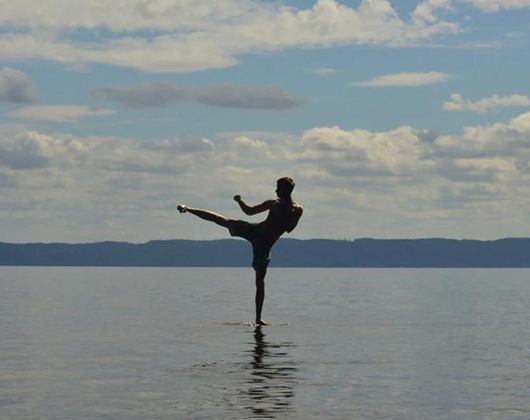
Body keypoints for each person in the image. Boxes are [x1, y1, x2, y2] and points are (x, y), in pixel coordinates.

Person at [177, 177, 303, 326]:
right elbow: (249, 212)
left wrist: (278, 211)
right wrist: (240, 202)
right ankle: (188, 208)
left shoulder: (297, 209)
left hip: (264, 245)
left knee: (260, 281)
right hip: (255, 230)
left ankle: (258, 318)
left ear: (287, 190)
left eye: (278, 188)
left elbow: (289, 228)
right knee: (225, 221)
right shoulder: (272, 203)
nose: (275, 191)